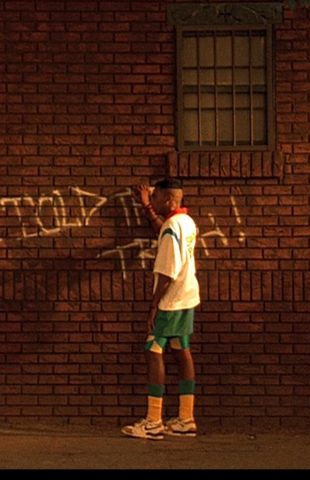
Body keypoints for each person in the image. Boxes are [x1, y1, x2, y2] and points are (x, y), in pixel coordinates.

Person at [122, 178, 199, 440]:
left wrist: (154, 306)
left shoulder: (171, 228)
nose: (152, 200)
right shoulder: (185, 222)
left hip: (171, 300)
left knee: (153, 350)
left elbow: (167, 271)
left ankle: (154, 420)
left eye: (155, 198)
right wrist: (147, 208)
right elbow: (164, 231)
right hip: (188, 297)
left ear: (169, 200)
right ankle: (186, 418)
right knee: (181, 350)